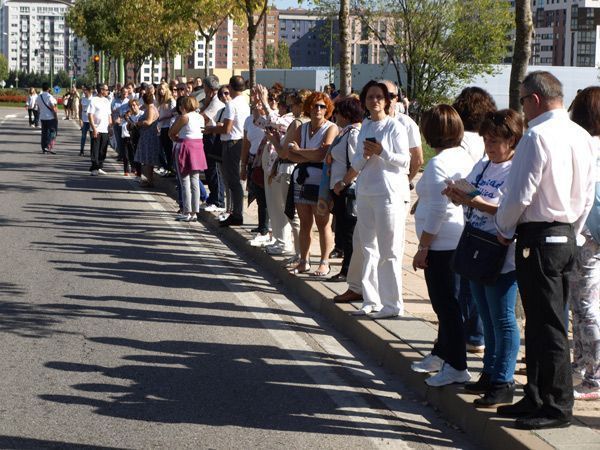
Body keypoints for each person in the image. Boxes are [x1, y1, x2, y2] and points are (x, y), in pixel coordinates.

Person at [495, 71, 595, 430]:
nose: (521, 107)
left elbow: (519, 194)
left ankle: (555, 405)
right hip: (566, 234)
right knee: (543, 322)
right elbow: (586, 195)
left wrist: (503, 229)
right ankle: (536, 395)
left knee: (548, 325)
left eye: (522, 100)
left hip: (537, 236)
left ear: (534, 100)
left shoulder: (536, 136)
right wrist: (573, 232)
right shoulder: (580, 135)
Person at [445, 109, 523, 407]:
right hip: (475, 243)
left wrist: (476, 201)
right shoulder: (484, 164)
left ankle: (504, 380)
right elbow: (469, 191)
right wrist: (455, 193)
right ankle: (490, 373)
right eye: (486, 139)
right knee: (486, 315)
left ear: (512, 140)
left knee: (503, 319)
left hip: (500, 250)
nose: (489, 145)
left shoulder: (515, 168)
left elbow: (507, 207)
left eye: (495, 140)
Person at [411, 104, 473, 386]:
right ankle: (442, 354)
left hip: (442, 243)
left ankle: (457, 365)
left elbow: (438, 209)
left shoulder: (438, 163)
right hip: (457, 239)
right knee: (451, 304)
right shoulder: (463, 155)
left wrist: (423, 246)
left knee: (446, 306)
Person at [344, 80, 409, 318]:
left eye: (379, 97)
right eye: (370, 97)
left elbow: (404, 161)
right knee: (367, 247)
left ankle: (392, 304)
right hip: (366, 192)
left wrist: (382, 151)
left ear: (387, 101)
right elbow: (360, 162)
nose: (375, 101)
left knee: (389, 250)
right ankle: (371, 300)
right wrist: (362, 157)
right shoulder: (366, 126)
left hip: (388, 194)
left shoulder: (395, 127)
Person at [452, 86, 498, 354]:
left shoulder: (463, 140)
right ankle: (477, 333)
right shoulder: (485, 140)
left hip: (469, 212)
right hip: (484, 216)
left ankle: (473, 333)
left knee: (466, 277)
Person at [568, 87, 600, 401]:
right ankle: (582, 364)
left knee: (584, 307)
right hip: (594, 233)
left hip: (585, 232)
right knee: (584, 305)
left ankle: (594, 376)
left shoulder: (583, 145)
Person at [286, 92, 338, 276]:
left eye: (322, 106)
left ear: (327, 109)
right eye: (315, 105)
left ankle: (325, 262)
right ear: (309, 107)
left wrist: (301, 152)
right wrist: (305, 153)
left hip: (322, 180)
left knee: (323, 222)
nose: (318, 109)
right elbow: (289, 154)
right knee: (305, 222)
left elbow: (322, 155)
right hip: (302, 178)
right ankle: (303, 260)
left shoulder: (331, 128)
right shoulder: (303, 128)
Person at [263, 89, 311, 262]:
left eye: (292, 105)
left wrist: (274, 139)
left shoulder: (297, 122)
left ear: (299, 105)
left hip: (290, 170)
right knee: (299, 216)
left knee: (294, 215)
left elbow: (283, 152)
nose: (291, 109)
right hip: (299, 170)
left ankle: (299, 255)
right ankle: (300, 254)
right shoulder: (309, 122)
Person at [207, 76, 251, 227]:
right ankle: (235, 212)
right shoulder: (245, 103)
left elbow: (226, 128)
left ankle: (237, 214)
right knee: (234, 180)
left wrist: (211, 129)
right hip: (239, 141)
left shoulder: (232, 105)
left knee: (233, 180)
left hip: (232, 143)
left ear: (231, 88)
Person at [328, 96, 363, 282]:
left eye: (338, 112)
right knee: (343, 230)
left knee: (349, 233)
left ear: (347, 115)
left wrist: (343, 182)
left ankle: (348, 270)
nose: (336, 116)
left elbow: (355, 164)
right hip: (340, 189)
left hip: (348, 190)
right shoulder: (346, 132)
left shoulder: (353, 134)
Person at [169, 95, 207, 222]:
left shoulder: (184, 117)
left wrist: (175, 138)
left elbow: (172, 132)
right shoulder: (200, 117)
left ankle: (186, 211)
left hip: (185, 147)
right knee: (195, 181)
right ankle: (194, 212)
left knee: (184, 180)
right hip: (198, 147)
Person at [200, 75, 226, 212]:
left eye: (204, 87)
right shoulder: (209, 101)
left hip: (213, 137)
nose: (203, 90)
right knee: (208, 170)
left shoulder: (216, 102)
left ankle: (219, 200)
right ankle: (212, 197)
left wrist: (205, 104)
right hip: (207, 136)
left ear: (210, 89)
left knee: (214, 170)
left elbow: (202, 118)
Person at [134, 91, 161, 187]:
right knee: (147, 159)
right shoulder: (151, 107)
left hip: (149, 135)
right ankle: (149, 179)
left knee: (148, 159)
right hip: (148, 135)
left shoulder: (150, 108)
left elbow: (149, 121)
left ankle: (150, 180)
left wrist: (139, 123)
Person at [87, 83, 113, 176]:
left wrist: (110, 127)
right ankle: (94, 168)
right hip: (96, 129)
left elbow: (109, 115)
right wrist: (94, 129)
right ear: (101, 90)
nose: (108, 91)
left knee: (103, 149)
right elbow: (90, 115)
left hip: (105, 129)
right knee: (95, 149)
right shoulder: (93, 100)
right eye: (106, 89)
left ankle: (99, 166)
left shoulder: (107, 100)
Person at [157, 81, 176, 176]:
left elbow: (174, 113)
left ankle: (170, 168)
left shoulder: (171, 100)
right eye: (159, 89)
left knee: (168, 149)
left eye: (162, 89)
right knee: (162, 149)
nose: (161, 91)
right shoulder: (161, 101)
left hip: (168, 126)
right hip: (161, 127)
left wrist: (164, 118)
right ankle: (167, 167)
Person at [122, 98, 143, 177]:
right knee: (136, 156)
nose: (133, 107)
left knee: (141, 157)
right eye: (131, 106)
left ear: (138, 106)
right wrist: (129, 125)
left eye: (134, 105)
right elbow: (129, 128)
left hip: (142, 138)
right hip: (134, 138)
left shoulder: (142, 114)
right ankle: (138, 174)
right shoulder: (132, 117)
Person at [36, 82, 58, 155]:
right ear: (48, 88)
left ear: (42, 88)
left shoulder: (39, 97)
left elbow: (38, 107)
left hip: (42, 117)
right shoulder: (49, 97)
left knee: (44, 133)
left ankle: (44, 148)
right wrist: (55, 115)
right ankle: (48, 147)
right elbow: (53, 107)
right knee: (51, 132)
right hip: (50, 117)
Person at [79, 86, 93, 156]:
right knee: (83, 136)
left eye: (86, 90)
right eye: (84, 90)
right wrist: (80, 119)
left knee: (92, 137)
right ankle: (81, 150)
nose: (84, 92)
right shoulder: (82, 99)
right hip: (84, 120)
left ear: (90, 91)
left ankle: (92, 151)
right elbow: (80, 109)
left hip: (91, 121)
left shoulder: (93, 99)